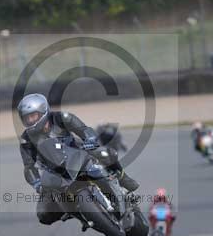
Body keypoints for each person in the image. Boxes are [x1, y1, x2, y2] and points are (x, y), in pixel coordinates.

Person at [17, 93, 140, 225]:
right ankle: (72, 210)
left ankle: (123, 178)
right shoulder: (26, 139)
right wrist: (37, 183)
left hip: (78, 154)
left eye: (33, 116)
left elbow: (84, 129)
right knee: (43, 214)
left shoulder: (61, 118)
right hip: (53, 172)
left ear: (43, 111)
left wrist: (90, 139)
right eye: (27, 118)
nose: (30, 121)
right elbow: (29, 166)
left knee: (105, 153)